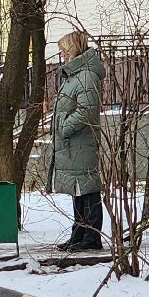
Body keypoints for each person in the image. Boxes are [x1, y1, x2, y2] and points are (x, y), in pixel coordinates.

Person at [50, 29, 105, 252]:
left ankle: (91, 237)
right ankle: (80, 233)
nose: (62, 55)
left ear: (73, 49)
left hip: (81, 141)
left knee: (87, 188)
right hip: (73, 144)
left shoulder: (86, 76)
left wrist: (64, 127)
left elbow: (87, 111)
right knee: (78, 189)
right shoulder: (74, 76)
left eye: (64, 50)